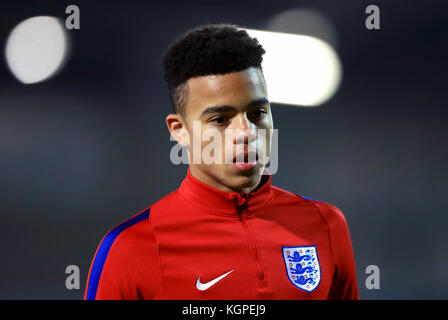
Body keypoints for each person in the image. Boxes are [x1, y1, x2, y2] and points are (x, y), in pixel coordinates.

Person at [84, 23, 359, 300]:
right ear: (179, 130)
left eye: (257, 112)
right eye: (220, 119)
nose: (246, 133)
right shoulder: (132, 247)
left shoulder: (326, 225)